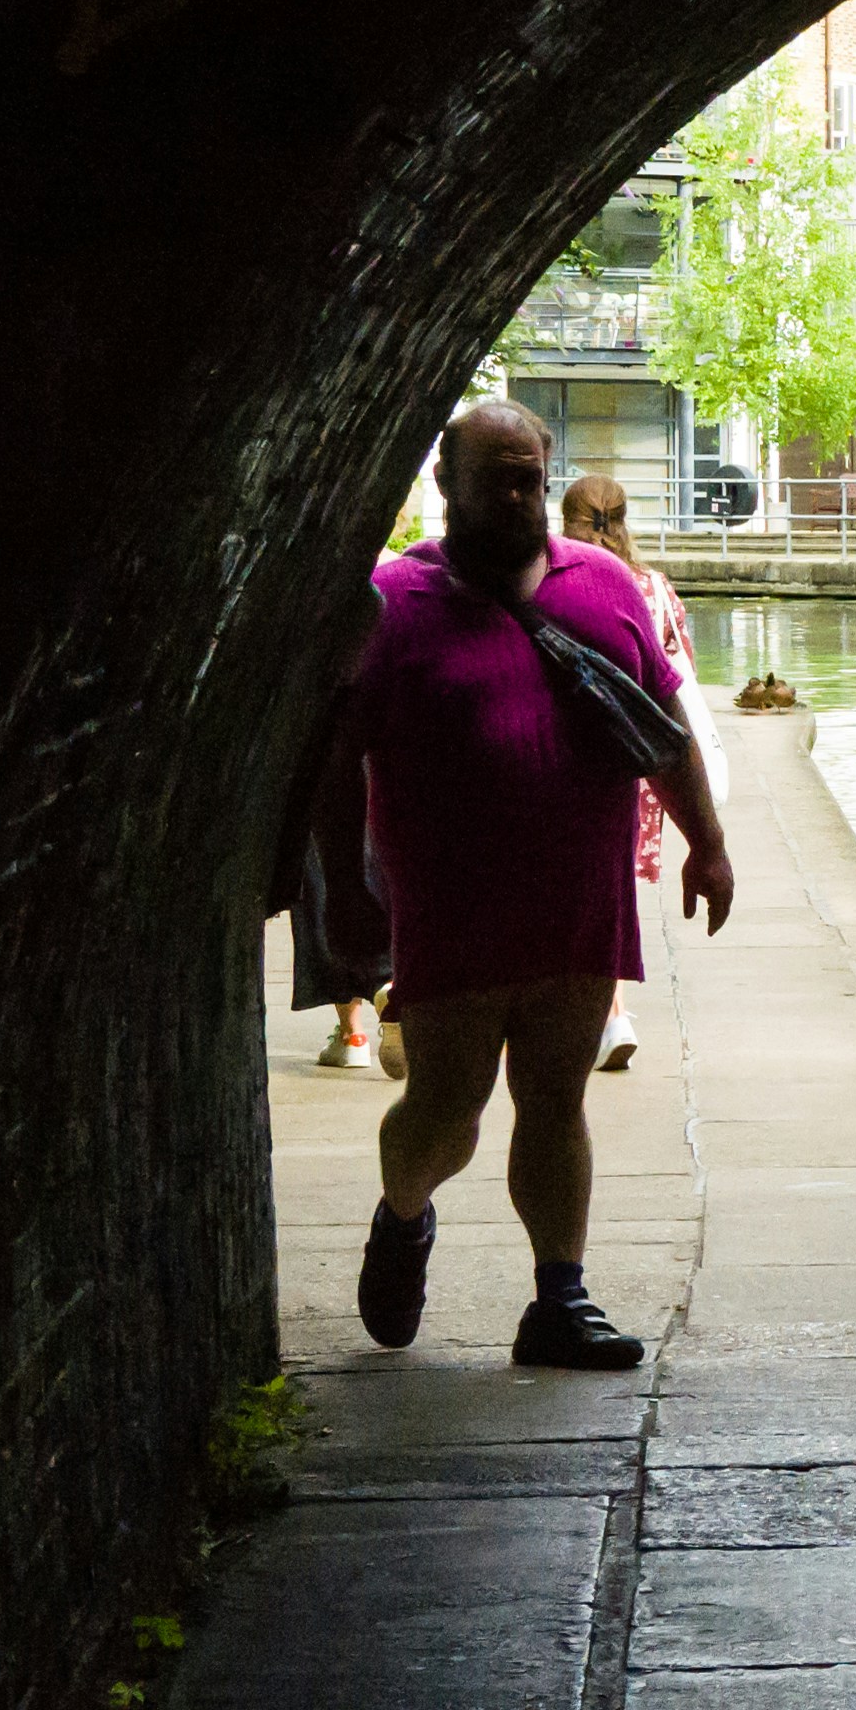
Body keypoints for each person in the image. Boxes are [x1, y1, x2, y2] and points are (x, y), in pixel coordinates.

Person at [316, 399, 735, 1369]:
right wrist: (343, 881)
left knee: (556, 1100)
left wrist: (707, 844)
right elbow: (338, 758)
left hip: (578, 910)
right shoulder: (393, 606)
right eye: (496, 479)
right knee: (448, 1110)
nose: (518, 496)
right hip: (450, 916)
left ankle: (560, 1297)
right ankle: (405, 1212)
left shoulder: (607, 588)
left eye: (531, 477)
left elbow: (660, 729)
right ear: (447, 487)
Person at [556, 469, 709, 1072]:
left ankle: (609, 1008)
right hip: (645, 765)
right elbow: (681, 675)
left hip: (578, 754)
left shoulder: (556, 580)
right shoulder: (652, 587)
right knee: (614, 886)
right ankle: (610, 1008)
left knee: (582, 883)